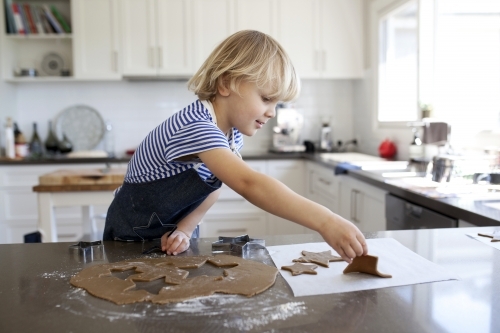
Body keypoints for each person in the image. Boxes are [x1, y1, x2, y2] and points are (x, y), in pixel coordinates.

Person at [103, 30, 367, 263]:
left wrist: (185, 229)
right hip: (129, 241)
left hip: (172, 240)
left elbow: (212, 187)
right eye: (266, 98)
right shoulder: (197, 126)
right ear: (226, 83)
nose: (272, 112)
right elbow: (248, 183)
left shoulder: (230, 134)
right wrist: (325, 220)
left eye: (277, 104)